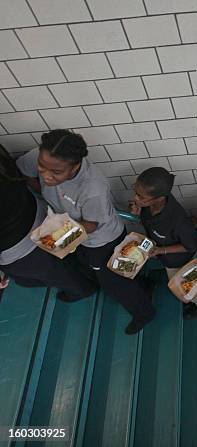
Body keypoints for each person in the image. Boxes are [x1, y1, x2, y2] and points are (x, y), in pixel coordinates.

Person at [17, 129, 155, 334]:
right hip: (76, 233)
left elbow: (92, 225)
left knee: (113, 282)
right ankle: (143, 283)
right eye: (42, 167)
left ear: (75, 167)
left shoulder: (93, 189)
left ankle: (144, 313)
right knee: (99, 270)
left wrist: (57, 237)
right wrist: (40, 190)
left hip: (101, 240)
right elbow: (25, 171)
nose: (46, 175)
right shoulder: (43, 155)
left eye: (56, 172)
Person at [0, 144, 96, 300]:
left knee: (59, 275)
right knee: (69, 253)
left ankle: (82, 290)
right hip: (44, 215)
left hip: (23, 251)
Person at [129, 167, 197, 316]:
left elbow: (193, 245)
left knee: (184, 287)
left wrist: (160, 251)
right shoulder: (148, 206)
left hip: (177, 262)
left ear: (159, 198)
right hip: (163, 256)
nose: (135, 199)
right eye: (135, 192)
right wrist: (137, 214)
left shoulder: (177, 220)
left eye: (141, 197)